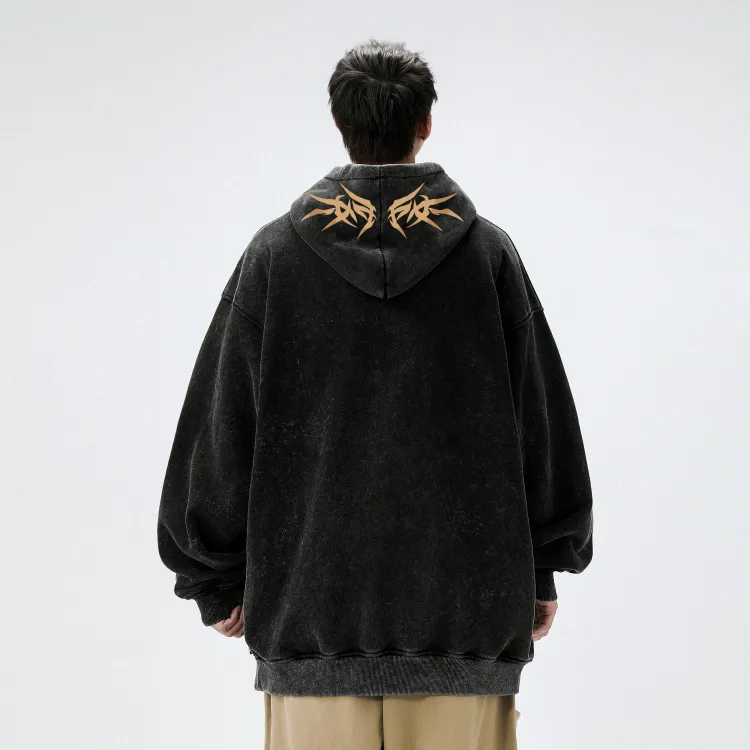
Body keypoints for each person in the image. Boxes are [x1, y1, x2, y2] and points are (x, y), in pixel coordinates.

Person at [157, 38, 594, 750]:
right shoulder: (487, 257)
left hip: (311, 628)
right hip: (466, 626)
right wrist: (543, 568)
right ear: (426, 124)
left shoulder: (274, 258)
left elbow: (220, 426)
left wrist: (214, 578)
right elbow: (543, 426)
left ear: (340, 124)